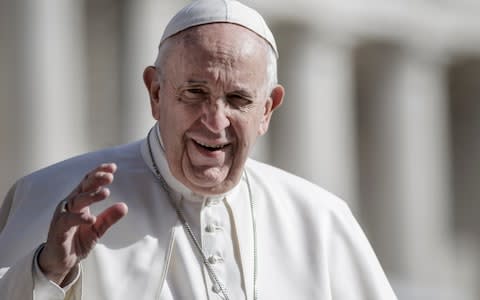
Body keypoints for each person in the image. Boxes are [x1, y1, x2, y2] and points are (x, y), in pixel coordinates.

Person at [0, 0, 397, 299]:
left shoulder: (320, 219)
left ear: (267, 109)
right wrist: (45, 272)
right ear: (156, 93)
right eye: (195, 93)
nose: (214, 121)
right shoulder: (55, 195)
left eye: (238, 100)